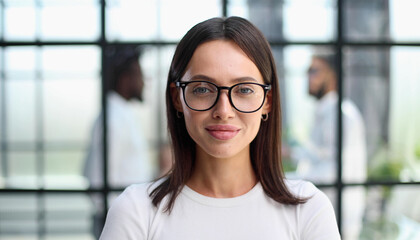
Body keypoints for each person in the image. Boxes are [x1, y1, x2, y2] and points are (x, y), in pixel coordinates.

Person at [99, 16, 341, 240]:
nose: (223, 111)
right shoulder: (136, 212)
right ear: (177, 98)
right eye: (203, 89)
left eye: (244, 89)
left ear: (267, 101)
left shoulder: (309, 211)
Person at [289, 50, 367, 239]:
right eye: (308, 71)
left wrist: (290, 181)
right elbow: (320, 155)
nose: (308, 77)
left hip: (338, 215)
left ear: (332, 76)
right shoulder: (325, 112)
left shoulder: (342, 115)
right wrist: (291, 153)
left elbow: (337, 169)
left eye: (315, 71)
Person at [84, 45, 153, 189]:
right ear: (125, 78)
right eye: (139, 73)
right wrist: (113, 211)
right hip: (117, 211)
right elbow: (98, 179)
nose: (143, 81)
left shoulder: (122, 113)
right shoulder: (113, 119)